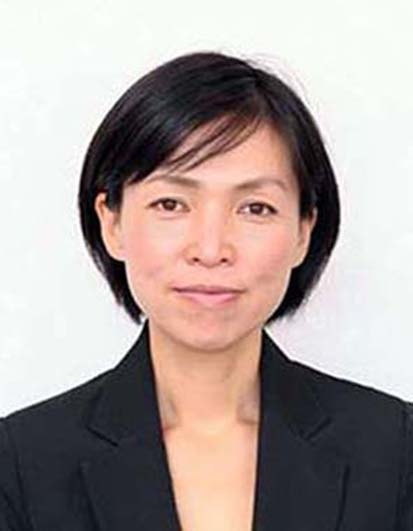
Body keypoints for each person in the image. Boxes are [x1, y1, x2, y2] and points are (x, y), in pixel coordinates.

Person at [0, 50, 411, 530]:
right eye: (171, 204)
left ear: (304, 231)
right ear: (111, 223)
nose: (211, 249)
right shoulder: (21, 464)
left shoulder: (395, 452)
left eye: (255, 208)